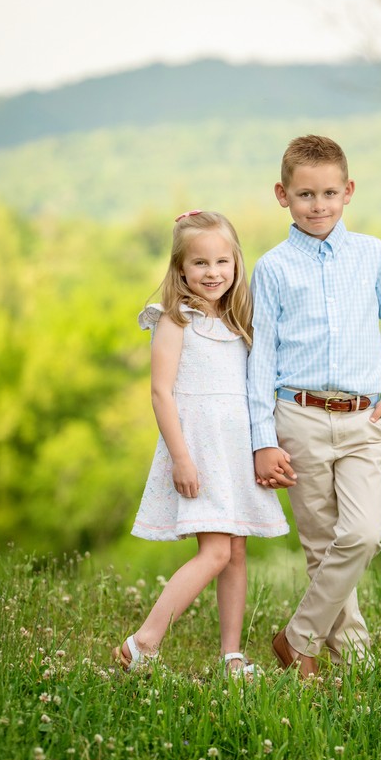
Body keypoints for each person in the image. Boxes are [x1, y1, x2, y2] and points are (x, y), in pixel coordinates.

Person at [247, 135, 381, 677]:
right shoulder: (272, 268)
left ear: (348, 191)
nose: (317, 205)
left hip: (365, 417)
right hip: (297, 417)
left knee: (364, 534)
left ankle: (297, 638)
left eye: (328, 193)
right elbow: (260, 360)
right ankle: (355, 662)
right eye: (305, 194)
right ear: (283, 195)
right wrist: (263, 439)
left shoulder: (373, 255)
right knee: (322, 546)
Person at [114, 210, 289, 676]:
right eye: (200, 263)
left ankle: (231, 655)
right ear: (180, 269)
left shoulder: (237, 322)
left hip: (234, 452)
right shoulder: (175, 320)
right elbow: (161, 392)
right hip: (200, 450)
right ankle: (142, 643)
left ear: (236, 263)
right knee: (214, 552)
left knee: (235, 552)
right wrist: (182, 458)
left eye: (222, 262)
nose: (213, 273)